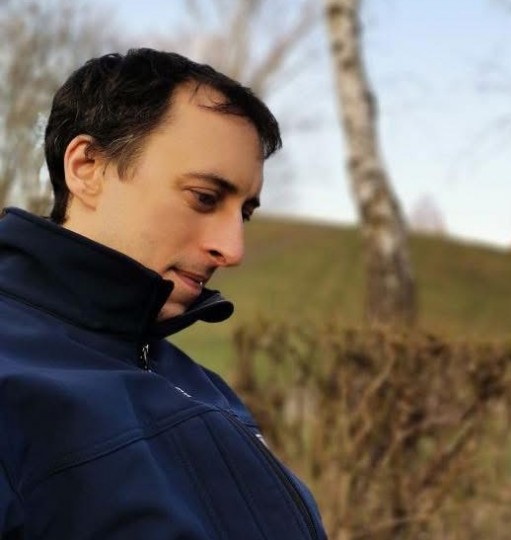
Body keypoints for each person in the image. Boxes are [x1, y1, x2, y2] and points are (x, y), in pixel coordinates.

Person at [0, 48, 327, 539]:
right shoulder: (12, 377)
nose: (232, 250)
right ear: (87, 167)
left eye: (244, 213)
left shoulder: (200, 383)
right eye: (204, 198)